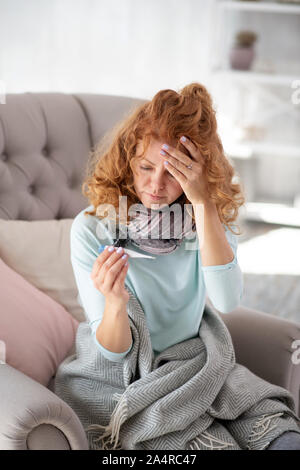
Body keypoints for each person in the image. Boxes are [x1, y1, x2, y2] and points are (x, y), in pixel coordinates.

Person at [69, 82, 300, 450]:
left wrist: (203, 204)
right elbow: (113, 353)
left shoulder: (208, 220)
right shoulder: (94, 227)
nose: (155, 185)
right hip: (126, 376)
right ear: (129, 157)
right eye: (145, 166)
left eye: (173, 173)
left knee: (284, 438)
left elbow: (226, 301)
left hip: (198, 363)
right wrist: (114, 302)